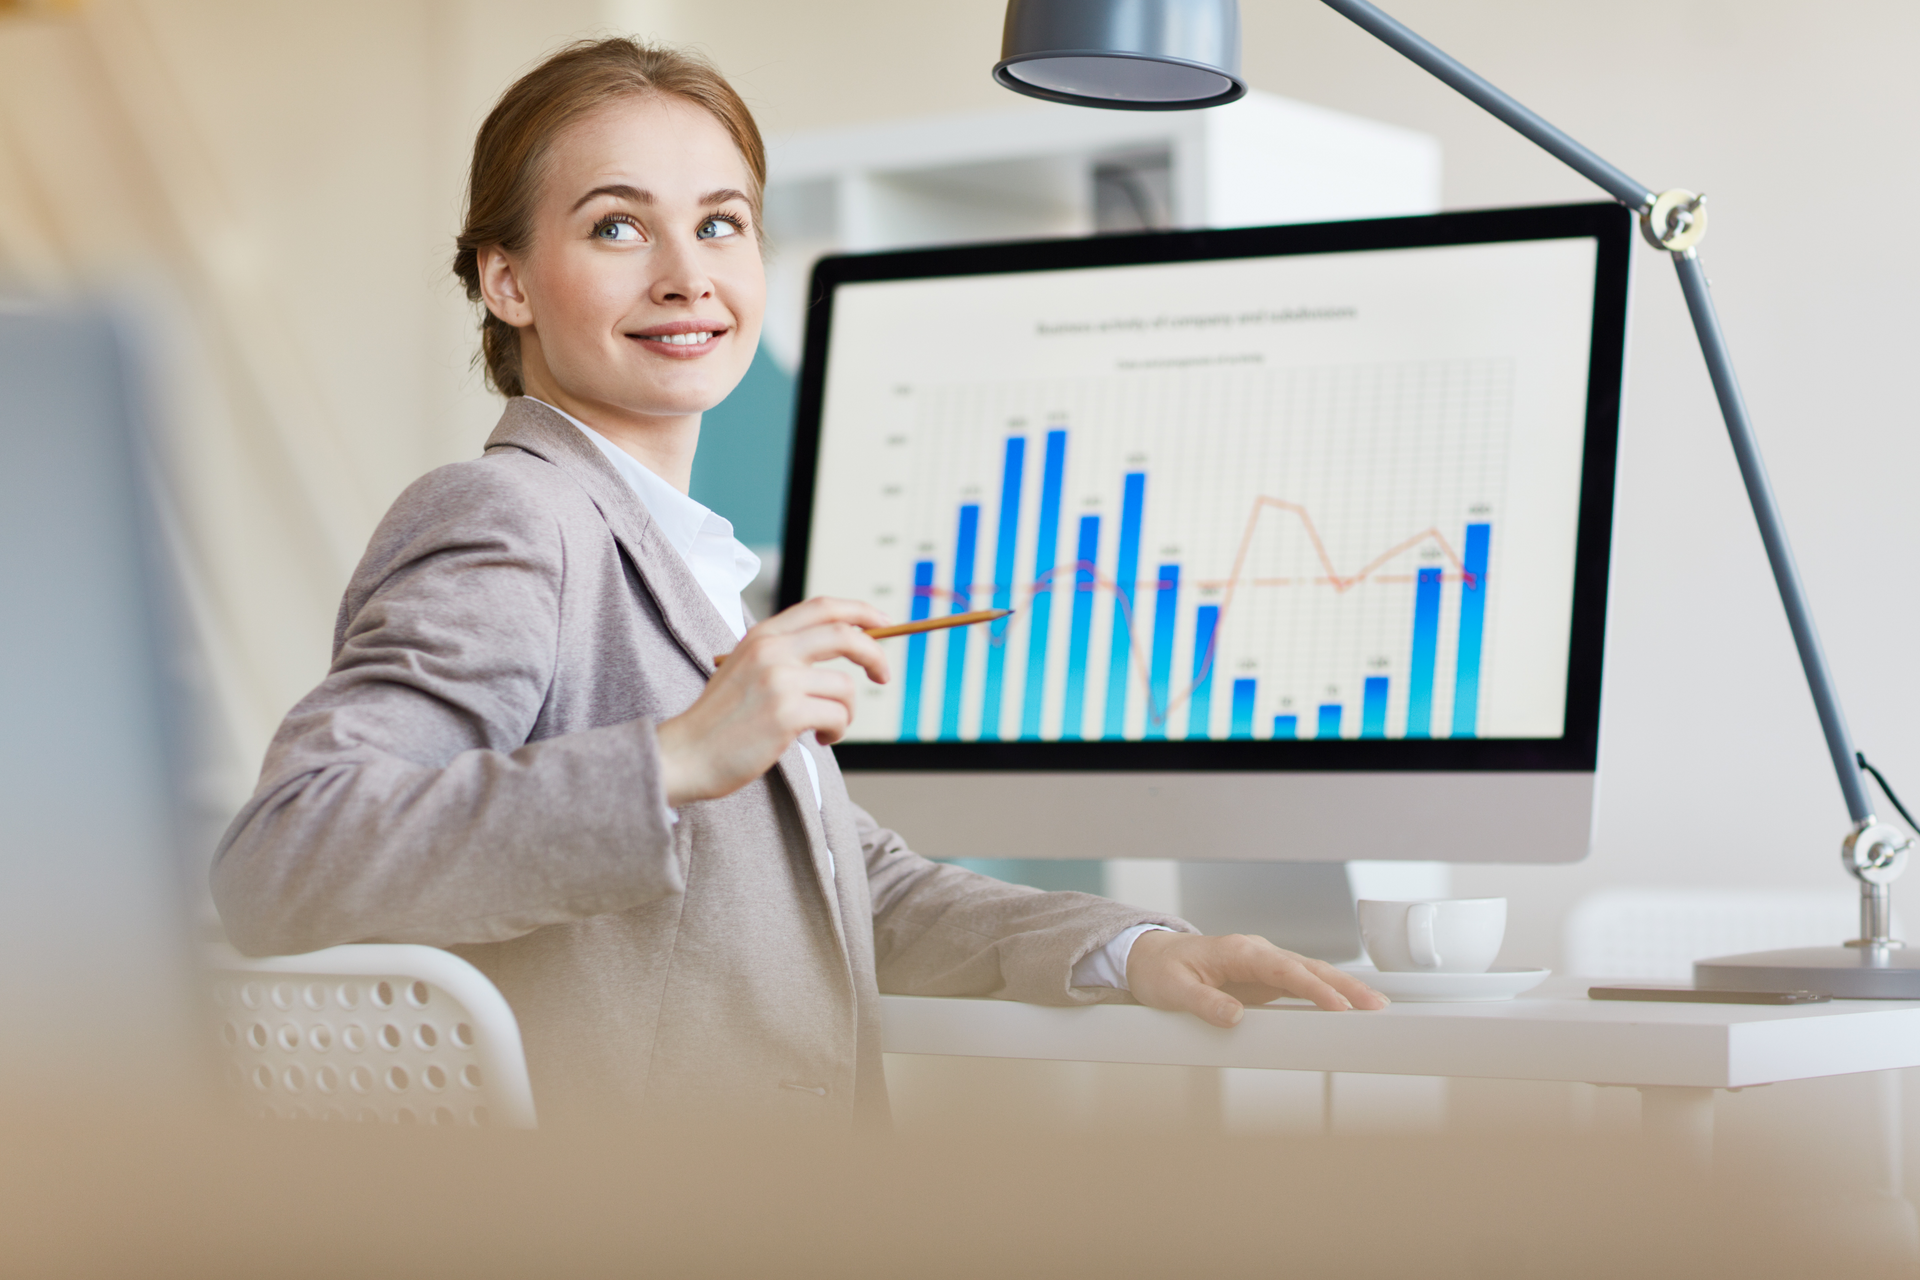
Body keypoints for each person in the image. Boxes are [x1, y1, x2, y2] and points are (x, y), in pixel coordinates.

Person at [211, 37, 1385, 1127]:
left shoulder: (676, 554)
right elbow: (285, 857)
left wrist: (1131, 950)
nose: (687, 276)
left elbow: (850, 893)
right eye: (620, 228)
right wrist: (674, 757)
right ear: (507, 279)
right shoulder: (514, 515)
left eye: (721, 224)